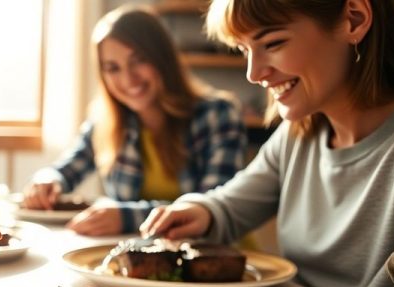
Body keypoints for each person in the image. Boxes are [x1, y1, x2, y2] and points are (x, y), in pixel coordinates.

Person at [141, 0, 394, 287]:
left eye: (273, 43)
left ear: (354, 19)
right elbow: (232, 203)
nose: (253, 73)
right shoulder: (297, 135)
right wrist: (201, 211)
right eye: (243, 49)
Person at [22, 5, 247, 236]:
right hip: (143, 258)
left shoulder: (218, 114)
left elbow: (210, 207)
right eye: (113, 68)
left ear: (162, 58)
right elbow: (67, 169)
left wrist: (125, 217)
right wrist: (47, 180)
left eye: (138, 60)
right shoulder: (104, 121)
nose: (128, 78)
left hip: (217, 260)